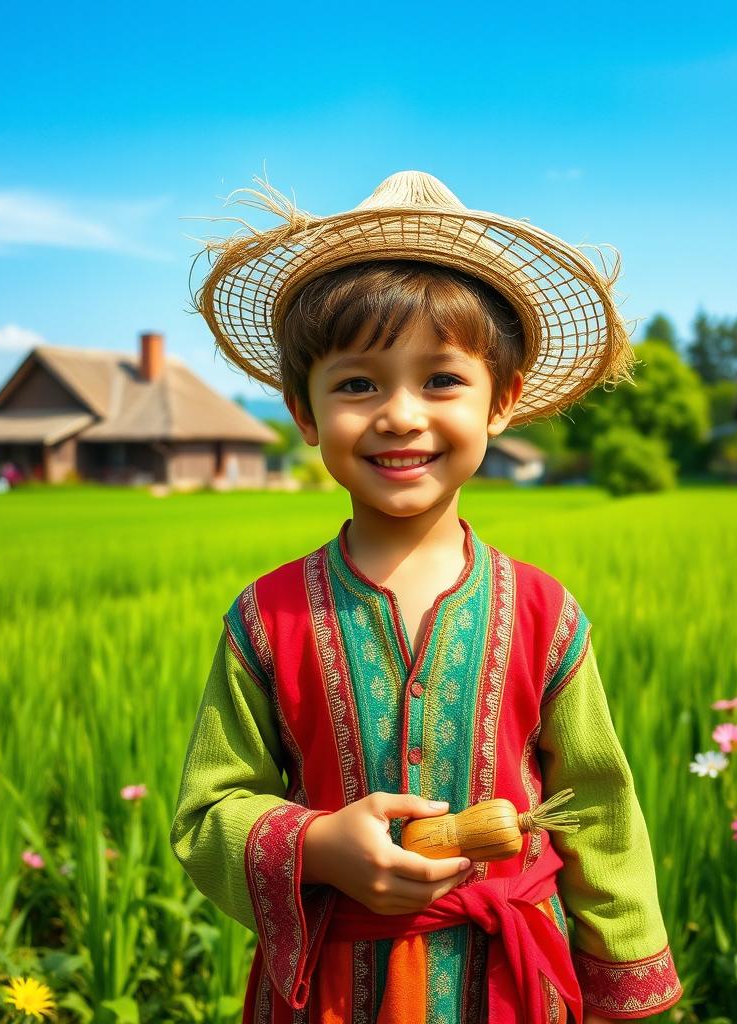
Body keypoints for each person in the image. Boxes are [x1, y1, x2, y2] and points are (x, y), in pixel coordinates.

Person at [170, 170, 683, 1023]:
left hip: (513, 982)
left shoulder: (546, 617)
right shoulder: (267, 618)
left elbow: (597, 806)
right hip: (331, 991)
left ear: (502, 403)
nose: (401, 415)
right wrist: (317, 845)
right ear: (304, 411)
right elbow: (206, 810)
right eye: (358, 384)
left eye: (442, 380)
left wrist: (624, 984)